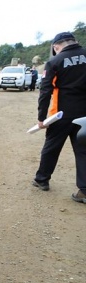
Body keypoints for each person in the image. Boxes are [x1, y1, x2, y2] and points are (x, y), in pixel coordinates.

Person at [33, 32, 86, 204]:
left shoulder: (55, 61)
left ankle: (42, 180)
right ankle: (84, 190)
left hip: (61, 114)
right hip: (84, 115)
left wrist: (42, 118)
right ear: (74, 42)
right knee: (83, 151)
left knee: (52, 147)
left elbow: (45, 91)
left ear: (56, 47)